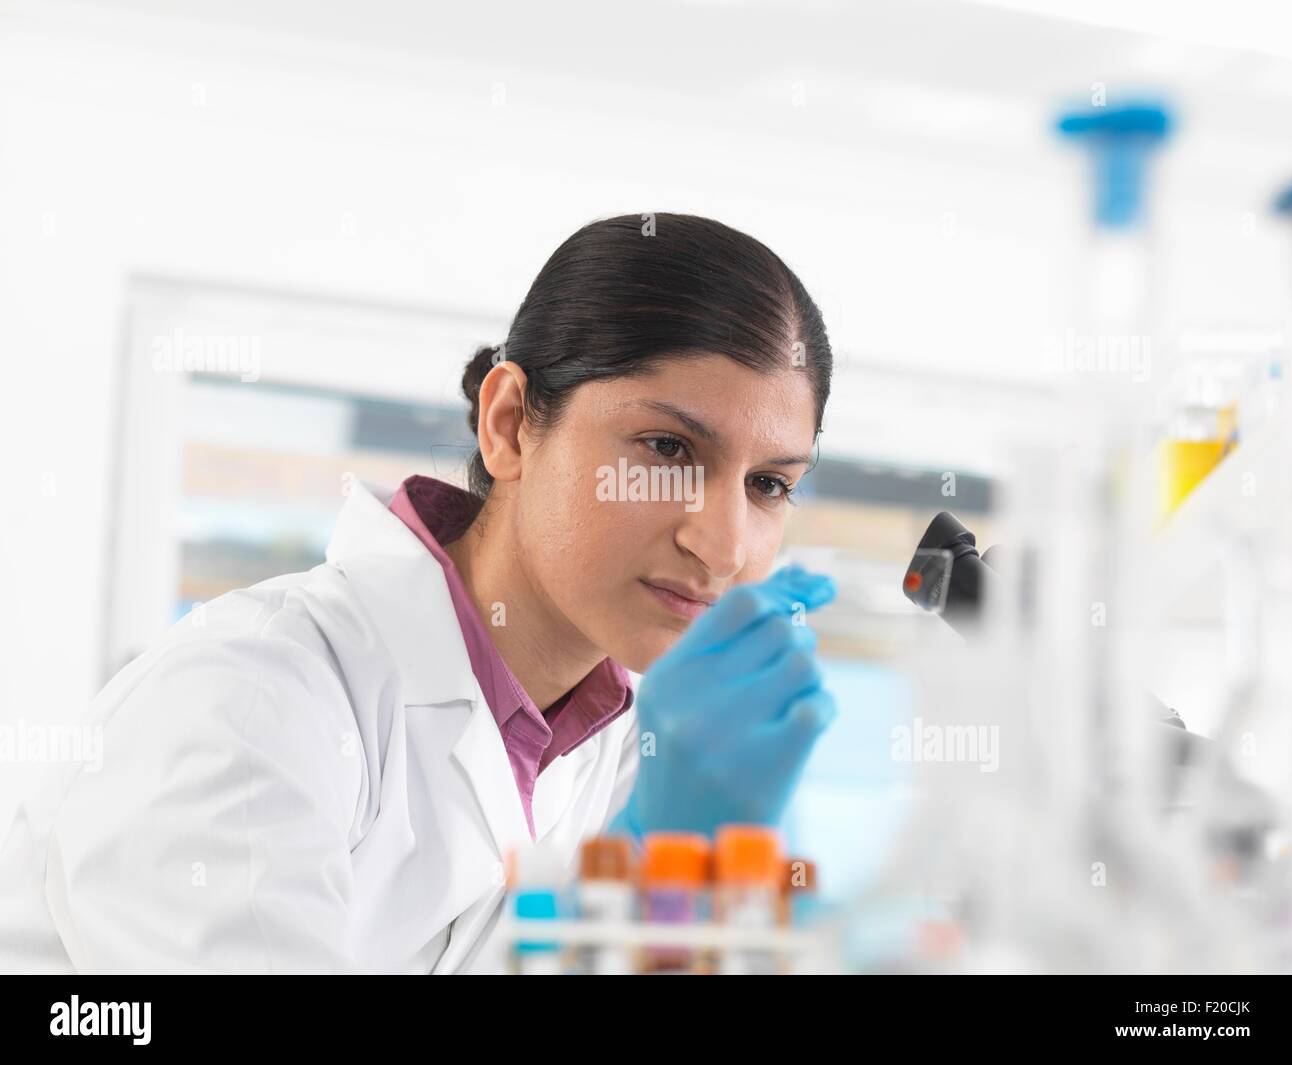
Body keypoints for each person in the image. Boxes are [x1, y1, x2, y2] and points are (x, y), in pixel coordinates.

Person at [0, 213, 838, 973]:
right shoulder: (251, 702)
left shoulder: (628, 751)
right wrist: (661, 873)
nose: (723, 544)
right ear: (509, 424)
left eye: (767, 484)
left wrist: (711, 892)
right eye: (665, 447)